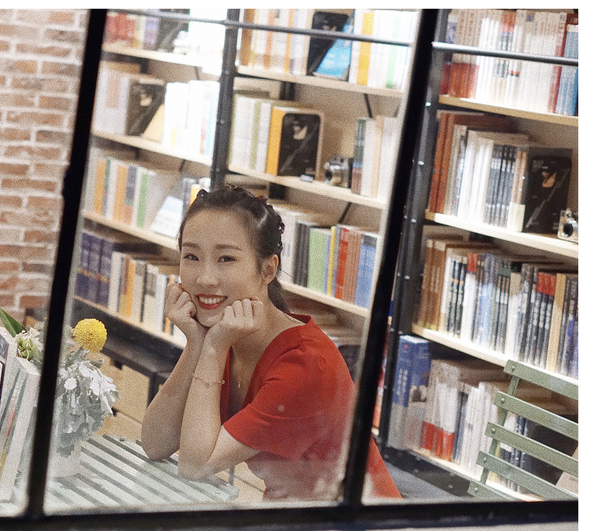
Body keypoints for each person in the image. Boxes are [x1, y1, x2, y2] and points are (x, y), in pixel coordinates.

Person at [140, 185, 400, 501]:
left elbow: (195, 466)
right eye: (191, 256)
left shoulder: (306, 364)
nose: (205, 278)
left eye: (226, 258)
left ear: (267, 270)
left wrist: (213, 347)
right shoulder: (229, 333)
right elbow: (155, 443)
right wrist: (197, 343)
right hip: (292, 513)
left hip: (352, 522)